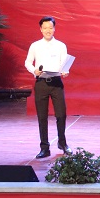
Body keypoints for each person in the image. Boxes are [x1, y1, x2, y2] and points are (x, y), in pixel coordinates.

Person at [24, 16, 72, 158]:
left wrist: (65, 71)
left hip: (56, 83)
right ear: (40, 29)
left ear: (54, 29)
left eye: (50, 28)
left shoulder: (61, 45)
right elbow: (27, 62)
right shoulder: (35, 45)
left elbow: (64, 64)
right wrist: (34, 71)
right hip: (41, 83)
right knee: (42, 116)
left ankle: (62, 143)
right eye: (45, 28)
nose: (48, 30)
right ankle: (44, 147)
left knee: (61, 114)